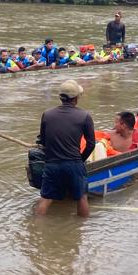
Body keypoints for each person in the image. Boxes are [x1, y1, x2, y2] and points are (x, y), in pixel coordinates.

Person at [35, 80, 95, 218]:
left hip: (52, 164)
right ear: (76, 98)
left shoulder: (47, 114)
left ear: (60, 97)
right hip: (74, 163)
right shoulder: (84, 116)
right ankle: (81, 230)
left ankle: (36, 228)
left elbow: (43, 141)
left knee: (46, 198)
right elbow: (91, 144)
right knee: (81, 197)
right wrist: (80, 160)